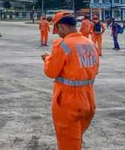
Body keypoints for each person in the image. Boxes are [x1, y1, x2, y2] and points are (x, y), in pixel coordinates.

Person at [42, 11, 99, 150]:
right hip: (88, 100)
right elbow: (95, 69)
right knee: (76, 140)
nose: (58, 34)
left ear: (62, 26)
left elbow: (51, 72)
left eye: (57, 29)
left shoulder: (63, 45)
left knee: (68, 144)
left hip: (68, 102)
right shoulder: (90, 43)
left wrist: (47, 59)